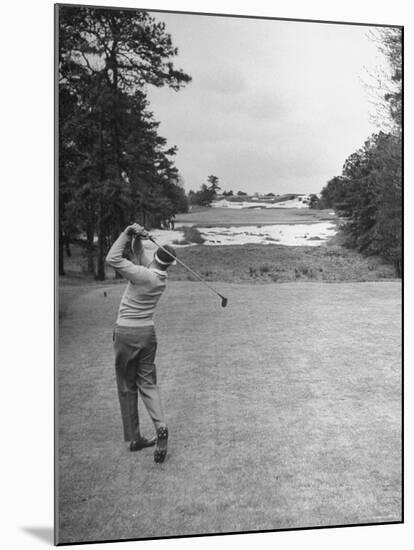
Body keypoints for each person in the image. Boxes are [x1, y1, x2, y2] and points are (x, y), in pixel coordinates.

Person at [105, 223, 177, 463]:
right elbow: (138, 255)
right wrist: (138, 237)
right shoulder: (159, 275)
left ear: (155, 257)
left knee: (127, 386)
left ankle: (135, 439)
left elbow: (112, 258)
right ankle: (161, 426)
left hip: (126, 334)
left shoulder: (144, 274)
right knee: (148, 384)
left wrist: (125, 232)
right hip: (147, 335)